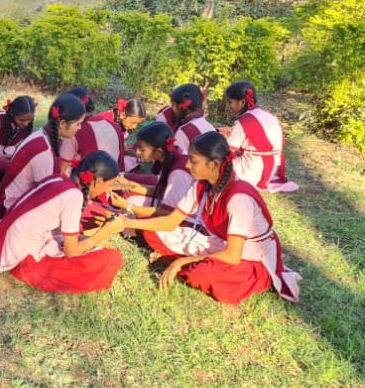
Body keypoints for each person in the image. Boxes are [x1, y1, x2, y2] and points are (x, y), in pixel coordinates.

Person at [122, 132, 302, 304]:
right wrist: (129, 221)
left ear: (214, 164)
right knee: (151, 232)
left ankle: (259, 277)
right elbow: (170, 221)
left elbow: (232, 255)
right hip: (222, 245)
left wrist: (182, 261)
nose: (187, 166)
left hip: (251, 259)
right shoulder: (201, 184)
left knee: (202, 274)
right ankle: (182, 262)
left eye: (193, 161)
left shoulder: (239, 197)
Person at [0, 151, 125, 293]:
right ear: (98, 181)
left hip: (5, 242)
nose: (107, 190)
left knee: (85, 244)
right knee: (112, 258)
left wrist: (83, 239)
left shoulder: (61, 178)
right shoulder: (74, 195)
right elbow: (71, 252)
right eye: (108, 185)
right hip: (22, 258)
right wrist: (105, 231)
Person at [0, 94, 86, 236]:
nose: (80, 128)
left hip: (14, 202)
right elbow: (44, 196)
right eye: (78, 124)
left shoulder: (42, 136)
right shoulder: (43, 148)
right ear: (62, 123)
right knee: (79, 214)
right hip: (16, 209)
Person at [108, 122, 209, 259]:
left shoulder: (178, 171)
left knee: (150, 231)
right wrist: (129, 185)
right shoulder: (172, 156)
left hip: (189, 221)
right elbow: (161, 191)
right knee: (130, 195)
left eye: (142, 149)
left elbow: (169, 213)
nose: (138, 153)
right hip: (175, 209)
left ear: (158, 151)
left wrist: (128, 207)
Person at [220, 80, 298, 193]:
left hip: (253, 170)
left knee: (219, 160)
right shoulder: (268, 116)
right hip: (274, 168)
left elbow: (230, 149)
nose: (229, 106)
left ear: (242, 102)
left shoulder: (243, 121)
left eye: (230, 102)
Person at [61, 98, 147, 172]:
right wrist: (120, 150)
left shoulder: (120, 121)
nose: (135, 126)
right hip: (95, 159)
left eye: (137, 124)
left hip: (104, 157)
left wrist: (123, 148)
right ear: (122, 114)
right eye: (133, 122)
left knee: (135, 157)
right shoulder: (105, 121)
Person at [0, 96, 36, 182]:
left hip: (10, 158)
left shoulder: (26, 124)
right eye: (21, 120)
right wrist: (11, 157)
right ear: (12, 113)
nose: (26, 124)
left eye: (29, 120)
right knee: (2, 165)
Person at [169, 83, 215, 152]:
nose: (171, 109)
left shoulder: (183, 132)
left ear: (180, 106)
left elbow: (179, 158)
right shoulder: (209, 126)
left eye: (173, 105)